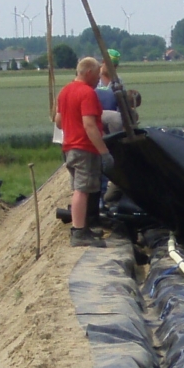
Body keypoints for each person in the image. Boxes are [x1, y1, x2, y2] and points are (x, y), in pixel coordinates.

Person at [57, 56, 108, 247]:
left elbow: (59, 121)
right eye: (97, 75)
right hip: (84, 147)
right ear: (89, 72)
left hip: (69, 146)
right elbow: (89, 124)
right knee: (82, 190)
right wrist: (103, 151)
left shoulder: (65, 91)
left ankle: (83, 228)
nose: (98, 80)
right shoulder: (87, 93)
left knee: (80, 189)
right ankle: (79, 232)